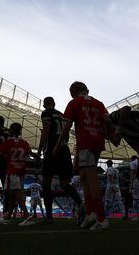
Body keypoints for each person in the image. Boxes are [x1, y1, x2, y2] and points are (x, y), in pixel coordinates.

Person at [55, 81, 117, 232]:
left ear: (72, 93)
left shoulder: (74, 103)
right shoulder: (99, 103)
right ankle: (91, 213)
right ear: (87, 90)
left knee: (91, 178)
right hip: (97, 142)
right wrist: (112, 136)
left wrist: (58, 145)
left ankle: (101, 218)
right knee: (83, 176)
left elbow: (67, 126)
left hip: (86, 143)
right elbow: (108, 121)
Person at [37, 96, 84, 224]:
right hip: (64, 148)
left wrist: (40, 150)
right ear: (54, 103)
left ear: (44, 105)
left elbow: (46, 130)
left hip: (52, 148)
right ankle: (81, 204)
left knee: (46, 182)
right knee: (64, 183)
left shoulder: (46, 113)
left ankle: (49, 217)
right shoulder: (62, 115)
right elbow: (67, 133)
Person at [0, 122, 38, 226]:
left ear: (11, 131)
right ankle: (8, 216)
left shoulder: (7, 143)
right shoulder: (24, 143)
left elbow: (0, 156)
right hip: (21, 171)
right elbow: (31, 154)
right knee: (13, 193)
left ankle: (26, 214)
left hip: (12, 171)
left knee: (17, 192)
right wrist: (38, 156)